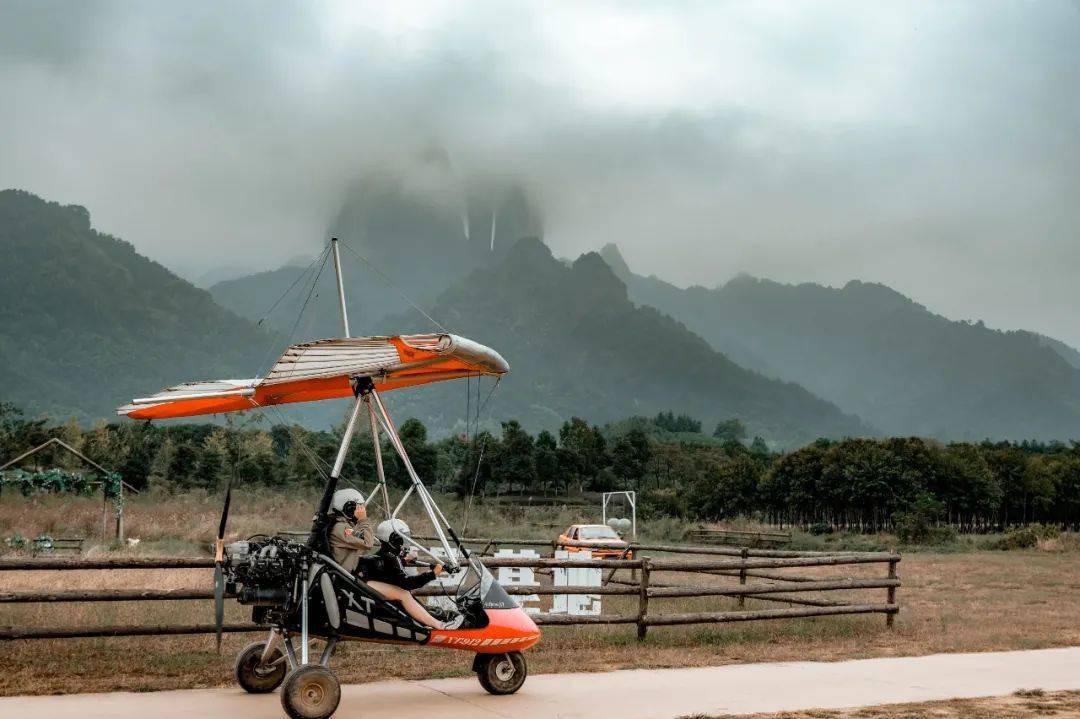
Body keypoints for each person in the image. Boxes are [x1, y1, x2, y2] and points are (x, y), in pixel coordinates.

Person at [358, 519, 464, 630]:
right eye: (402, 538)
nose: (405, 541)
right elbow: (407, 583)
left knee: (410, 597)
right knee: (404, 594)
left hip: (368, 585)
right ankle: (440, 625)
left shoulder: (385, 554)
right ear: (395, 539)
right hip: (369, 590)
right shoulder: (391, 557)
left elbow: (389, 570)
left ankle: (436, 620)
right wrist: (432, 574)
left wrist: (404, 561)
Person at [327, 489, 374, 572]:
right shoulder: (341, 528)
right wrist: (363, 520)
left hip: (346, 574)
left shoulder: (344, 525)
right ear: (349, 508)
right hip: (342, 579)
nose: (361, 510)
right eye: (358, 507)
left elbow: (359, 536)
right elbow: (367, 543)